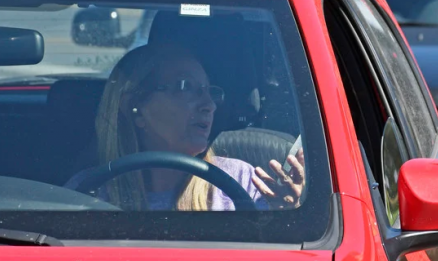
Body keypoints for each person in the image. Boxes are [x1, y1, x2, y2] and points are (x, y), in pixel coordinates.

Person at [64, 43, 304, 211]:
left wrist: (285, 214)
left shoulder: (244, 182)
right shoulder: (88, 193)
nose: (209, 105)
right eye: (185, 87)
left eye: (209, 91)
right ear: (134, 107)